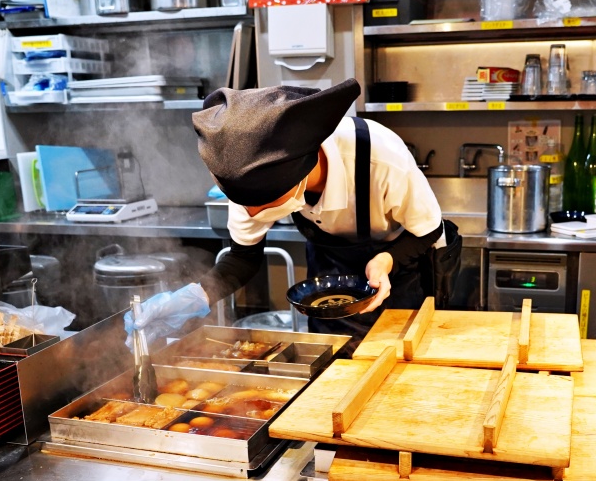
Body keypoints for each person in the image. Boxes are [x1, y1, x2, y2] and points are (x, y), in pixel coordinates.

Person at [127, 78, 454, 346]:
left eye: (263, 204)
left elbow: (428, 231)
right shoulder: (246, 175)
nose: (252, 213)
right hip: (331, 269)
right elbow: (242, 258)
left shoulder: (382, 159)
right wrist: (195, 296)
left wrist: (385, 261)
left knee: (399, 364)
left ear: (300, 172)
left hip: (400, 267)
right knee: (333, 365)